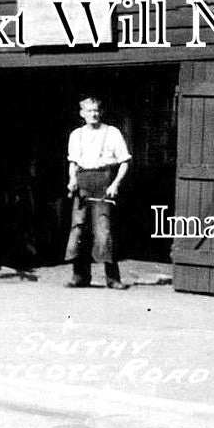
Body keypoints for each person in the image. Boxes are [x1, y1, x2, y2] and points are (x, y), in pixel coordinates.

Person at [64, 96, 131, 289]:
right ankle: (79, 277)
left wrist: (115, 184)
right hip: (82, 182)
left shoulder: (112, 133)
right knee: (78, 228)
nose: (93, 114)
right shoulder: (76, 134)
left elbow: (124, 161)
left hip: (104, 181)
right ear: (82, 114)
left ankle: (113, 279)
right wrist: (72, 180)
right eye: (89, 111)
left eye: (96, 110)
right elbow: (73, 162)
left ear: (101, 112)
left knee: (103, 230)